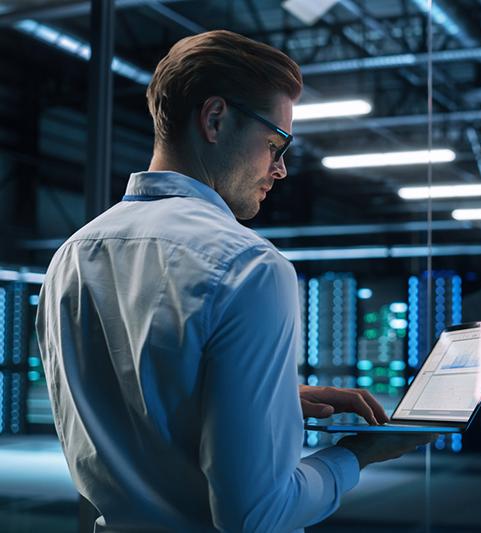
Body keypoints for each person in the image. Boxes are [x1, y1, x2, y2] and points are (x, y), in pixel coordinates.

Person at [36, 30, 434, 532]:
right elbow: (254, 518)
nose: (281, 169)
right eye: (275, 143)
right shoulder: (249, 266)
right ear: (215, 119)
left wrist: (271, 403)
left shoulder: (71, 256)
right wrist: (357, 456)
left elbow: (141, 412)